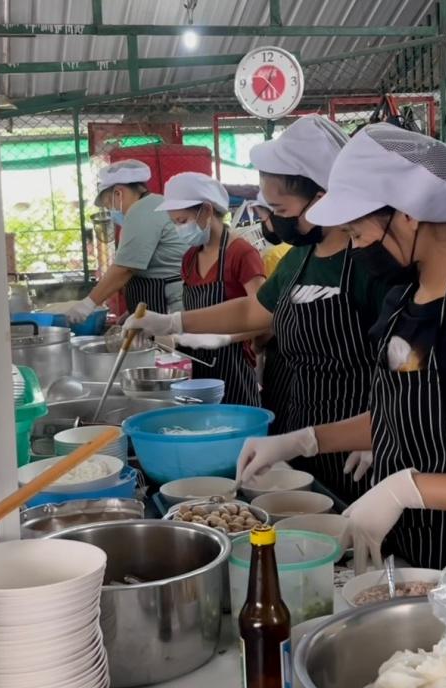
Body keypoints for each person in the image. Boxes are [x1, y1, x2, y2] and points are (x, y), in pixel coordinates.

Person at [235, 124, 446, 571]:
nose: (355, 248)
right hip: (404, 552)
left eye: (358, 233)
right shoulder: (402, 300)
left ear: (408, 215)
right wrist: (304, 441)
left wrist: (408, 489)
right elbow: (400, 416)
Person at [124, 115, 390, 503]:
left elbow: (404, 360)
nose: (275, 220)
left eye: (279, 208)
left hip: (357, 447)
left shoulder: (370, 262)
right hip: (297, 436)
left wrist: (381, 429)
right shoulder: (300, 258)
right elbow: (253, 311)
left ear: (322, 198)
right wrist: (172, 321)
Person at [155, 172, 266, 406]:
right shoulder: (190, 258)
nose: (179, 229)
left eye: (182, 221)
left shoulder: (241, 254)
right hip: (198, 366)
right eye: (174, 223)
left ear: (206, 210)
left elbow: (264, 315)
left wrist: (223, 338)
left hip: (235, 367)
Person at [68, 160, 190, 322]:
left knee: (164, 338)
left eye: (108, 204)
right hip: (162, 297)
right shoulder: (153, 203)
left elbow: (124, 269)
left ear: (119, 193)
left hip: (168, 303)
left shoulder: (142, 210)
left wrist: (87, 304)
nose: (111, 211)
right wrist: (130, 312)